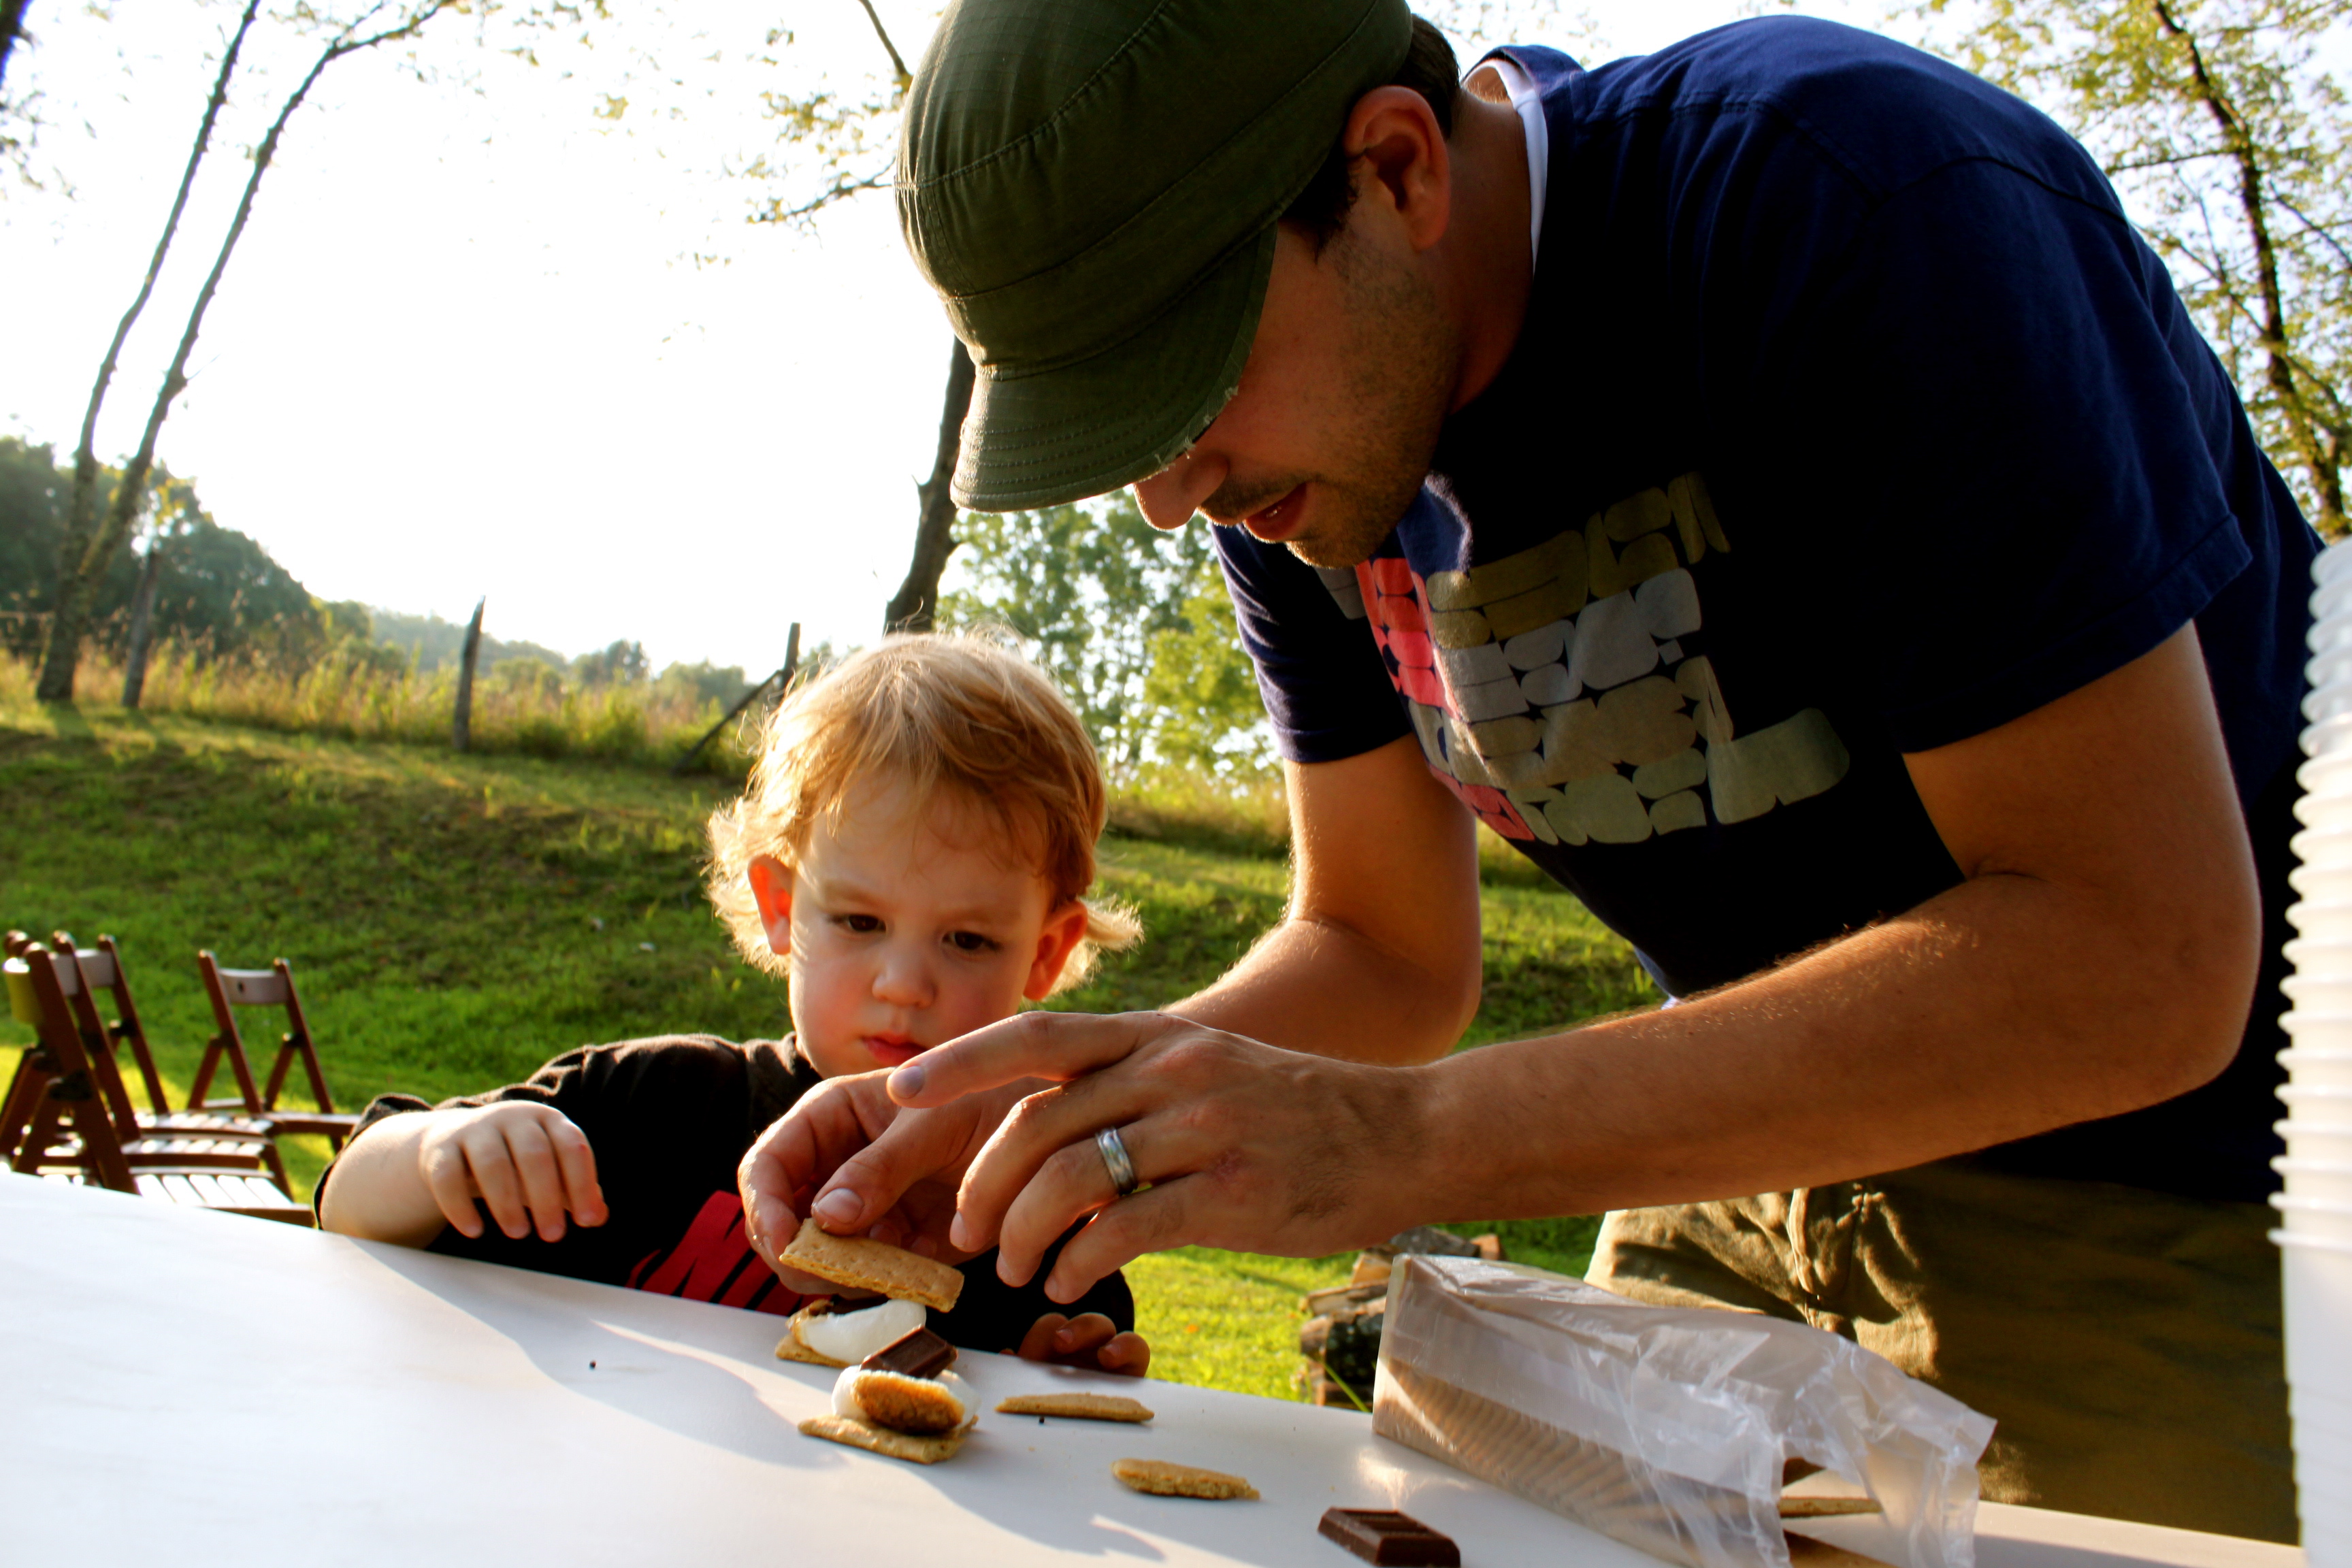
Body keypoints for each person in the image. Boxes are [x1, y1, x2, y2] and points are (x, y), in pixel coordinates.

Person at [742, 0, 2321, 1537]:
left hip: (2172, 1189)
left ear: (1396, 167)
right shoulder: (1296, 470)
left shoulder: (1845, 203)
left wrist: (1402, 1139)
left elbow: (2142, 957)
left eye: (1188, 374)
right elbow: (1380, 948)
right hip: (1734, 1154)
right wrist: (1041, 1106)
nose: (1169, 490)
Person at [320, 635, 1150, 1373]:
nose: (903, 983)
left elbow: (1051, 1421)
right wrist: (434, 1152)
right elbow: (345, 1208)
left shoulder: (1041, 1211)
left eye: (967, 940)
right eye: (860, 921)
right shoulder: (654, 1104)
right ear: (782, 906)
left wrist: (1058, 1372)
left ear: (1046, 951)